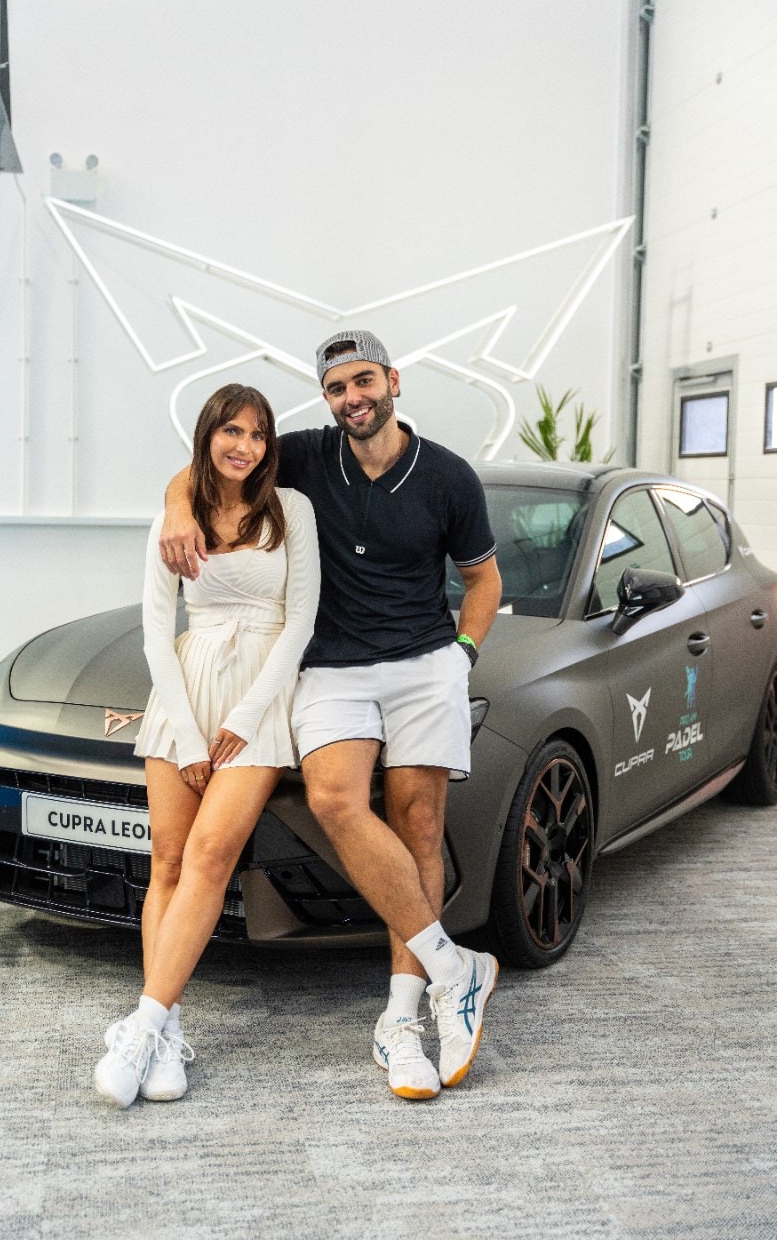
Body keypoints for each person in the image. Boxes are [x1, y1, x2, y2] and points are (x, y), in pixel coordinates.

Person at [161, 332, 502, 1101]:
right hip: (332, 667)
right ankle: (457, 968)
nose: (352, 398)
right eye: (337, 388)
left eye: (363, 381)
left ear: (393, 380)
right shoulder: (308, 456)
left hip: (424, 663)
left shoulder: (448, 476)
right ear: (326, 400)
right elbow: (215, 465)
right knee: (333, 800)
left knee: (418, 824)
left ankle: (401, 1017)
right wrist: (175, 503)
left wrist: (464, 652)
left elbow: (483, 580)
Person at [94, 383, 319, 1108]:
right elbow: (158, 630)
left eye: (255, 434)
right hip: (182, 695)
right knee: (165, 859)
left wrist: (250, 718)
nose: (242, 445)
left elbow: (301, 621)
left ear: (267, 446)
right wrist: (187, 732)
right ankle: (166, 1031)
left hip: (259, 699)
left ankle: (140, 1024)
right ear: (208, 434)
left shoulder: (294, 511)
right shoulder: (175, 519)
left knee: (211, 857)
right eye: (229, 430)